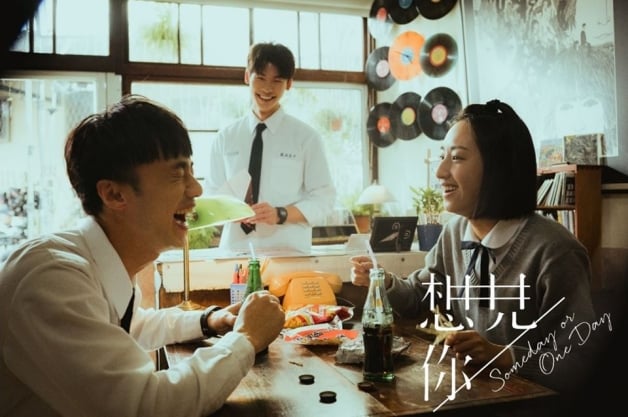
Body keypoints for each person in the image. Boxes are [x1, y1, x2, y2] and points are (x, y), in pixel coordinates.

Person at [0, 95, 285, 417]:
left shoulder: (95, 265)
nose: (196, 189)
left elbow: (135, 325)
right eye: (177, 175)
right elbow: (144, 406)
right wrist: (246, 338)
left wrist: (209, 320)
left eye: (191, 171)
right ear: (114, 194)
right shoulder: (51, 280)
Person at [350, 100, 606, 403]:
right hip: (469, 397)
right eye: (443, 157)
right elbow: (421, 297)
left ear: (499, 168)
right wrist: (383, 281)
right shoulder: (454, 232)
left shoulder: (555, 251)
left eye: (457, 158)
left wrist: (504, 356)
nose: (440, 172)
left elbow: (580, 361)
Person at [205, 42, 336, 254]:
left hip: (288, 253)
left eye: (277, 81)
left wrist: (280, 214)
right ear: (247, 77)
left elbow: (324, 199)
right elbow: (211, 194)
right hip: (235, 252)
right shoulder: (225, 138)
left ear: (289, 84)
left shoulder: (306, 138)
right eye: (260, 78)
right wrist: (228, 210)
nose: (267, 88)